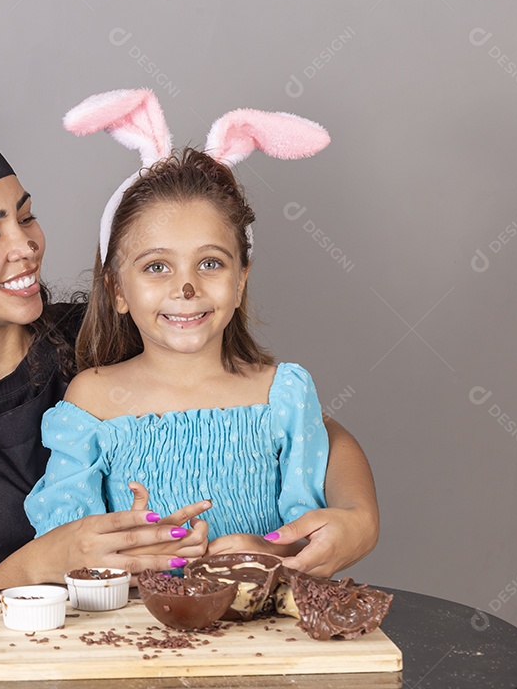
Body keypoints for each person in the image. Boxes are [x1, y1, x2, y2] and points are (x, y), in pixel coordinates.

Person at [0, 82, 378, 620]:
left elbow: (309, 430)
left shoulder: (97, 343)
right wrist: (50, 558)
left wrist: (357, 519)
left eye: (27, 216)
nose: (26, 246)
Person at [26, 89, 345, 562]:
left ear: (240, 282)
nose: (187, 287)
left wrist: (265, 553)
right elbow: (68, 544)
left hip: (256, 633)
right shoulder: (92, 399)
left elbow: (310, 537)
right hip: (126, 633)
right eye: (157, 267)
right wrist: (128, 544)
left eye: (211, 264)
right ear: (117, 289)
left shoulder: (283, 395)